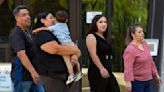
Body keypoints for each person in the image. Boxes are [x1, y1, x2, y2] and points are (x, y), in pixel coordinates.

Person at [32, 12, 81, 92]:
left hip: (62, 78)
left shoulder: (56, 32)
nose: (54, 19)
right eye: (51, 18)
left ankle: (75, 74)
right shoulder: (43, 34)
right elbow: (55, 49)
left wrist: (74, 55)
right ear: (43, 20)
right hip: (52, 78)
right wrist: (75, 50)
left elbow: (75, 49)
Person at [9, 5, 44, 92]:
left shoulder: (28, 32)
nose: (28, 17)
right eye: (24, 15)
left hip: (34, 76)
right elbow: (21, 54)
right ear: (17, 18)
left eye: (28, 14)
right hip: (22, 77)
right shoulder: (16, 34)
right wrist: (33, 72)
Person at [85, 15, 120, 92]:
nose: (103, 24)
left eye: (105, 22)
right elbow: (93, 54)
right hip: (97, 71)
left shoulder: (104, 37)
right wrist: (101, 68)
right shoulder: (91, 36)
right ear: (95, 24)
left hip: (108, 70)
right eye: (100, 22)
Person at [123, 24, 162, 92]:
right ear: (133, 34)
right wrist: (128, 82)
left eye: (142, 31)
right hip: (137, 83)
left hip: (147, 81)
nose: (142, 33)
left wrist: (156, 75)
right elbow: (128, 67)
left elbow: (150, 61)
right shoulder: (130, 49)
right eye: (139, 32)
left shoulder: (144, 44)